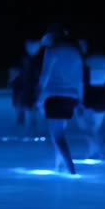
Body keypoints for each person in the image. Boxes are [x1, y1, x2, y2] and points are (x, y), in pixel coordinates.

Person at [34, 25, 85, 174]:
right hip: (71, 97)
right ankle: (58, 166)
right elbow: (80, 79)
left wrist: (38, 95)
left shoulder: (53, 50)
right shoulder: (76, 52)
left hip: (54, 95)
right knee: (58, 132)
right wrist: (80, 100)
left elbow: (45, 74)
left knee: (57, 135)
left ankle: (71, 169)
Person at [79, 49, 105, 159]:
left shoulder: (85, 61)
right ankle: (103, 150)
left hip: (87, 96)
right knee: (96, 127)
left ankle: (94, 150)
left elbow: (80, 81)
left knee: (86, 127)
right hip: (102, 97)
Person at [9, 39, 44, 136]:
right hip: (23, 86)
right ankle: (22, 128)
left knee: (31, 109)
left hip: (30, 86)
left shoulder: (37, 60)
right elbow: (14, 71)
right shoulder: (21, 59)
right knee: (22, 109)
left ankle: (30, 129)